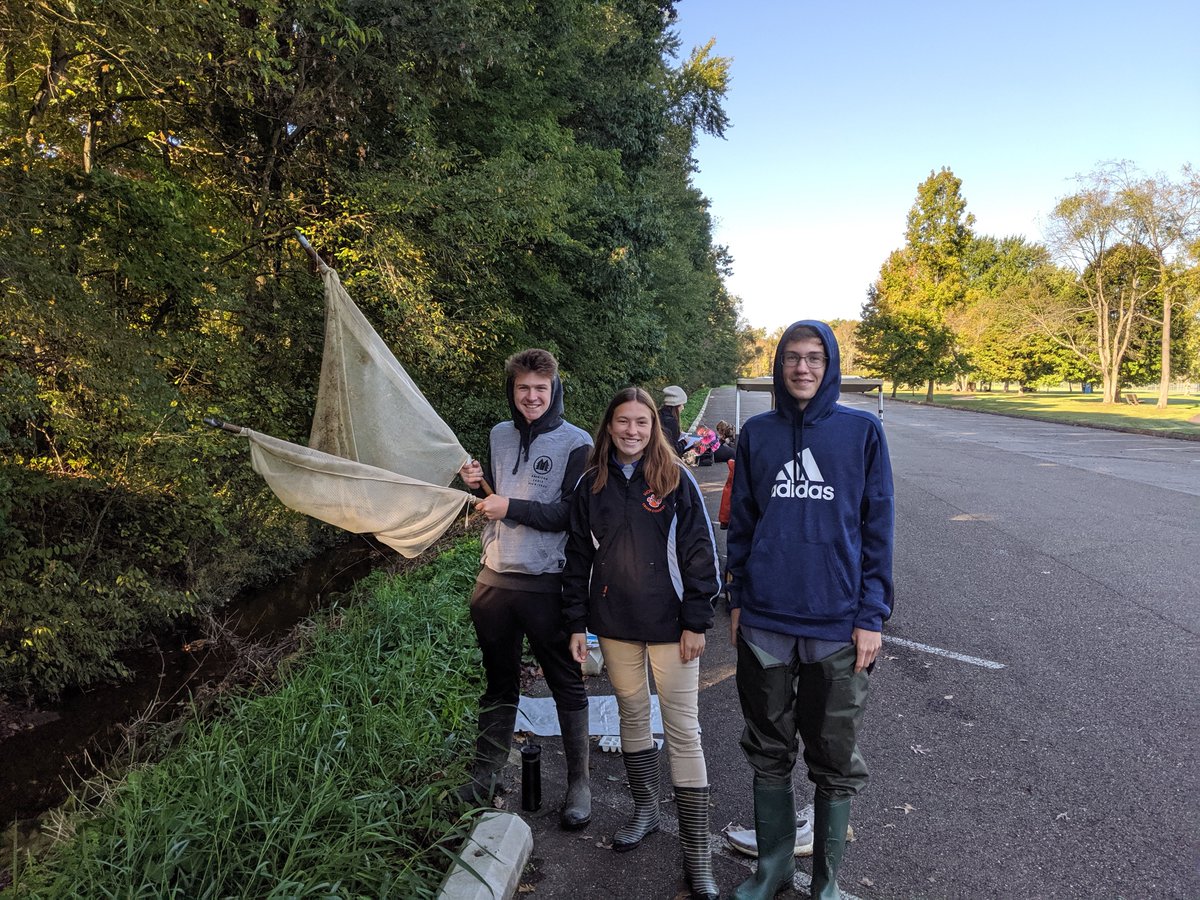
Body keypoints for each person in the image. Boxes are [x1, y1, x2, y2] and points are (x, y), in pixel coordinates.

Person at [726, 321, 894, 900]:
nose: (802, 368)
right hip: (768, 622)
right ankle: (772, 869)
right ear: (779, 365)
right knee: (768, 750)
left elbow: (879, 529)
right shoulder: (758, 435)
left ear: (831, 366)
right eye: (793, 358)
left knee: (834, 757)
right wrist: (738, 598)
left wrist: (872, 615)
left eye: (814, 358)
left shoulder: (862, 432)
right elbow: (742, 523)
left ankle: (826, 883)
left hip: (836, 625)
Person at [562, 386, 721, 900]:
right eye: (623, 422)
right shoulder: (591, 484)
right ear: (608, 426)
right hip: (613, 624)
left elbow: (701, 555)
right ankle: (646, 810)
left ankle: (697, 857)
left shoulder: (677, 480)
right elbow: (578, 560)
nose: (632, 431)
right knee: (632, 713)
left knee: (683, 729)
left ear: (654, 428)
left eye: (642, 423)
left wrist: (696, 621)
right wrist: (575, 624)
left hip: (673, 627)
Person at [457, 348, 593, 830]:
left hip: (546, 582)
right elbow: (494, 496)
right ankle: (486, 773)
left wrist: (505, 505)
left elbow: (567, 516)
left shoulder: (578, 443)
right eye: (523, 389)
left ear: (554, 388)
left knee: (565, 682)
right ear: (512, 391)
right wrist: (477, 484)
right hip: (494, 577)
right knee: (498, 680)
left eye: (540, 388)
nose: (531, 397)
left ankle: (579, 783)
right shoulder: (498, 434)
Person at [659, 385, 689, 455]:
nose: (683, 408)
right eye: (682, 405)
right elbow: (673, 451)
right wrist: (685, 442)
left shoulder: (658, 415)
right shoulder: (671, 422)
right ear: (677, 405)